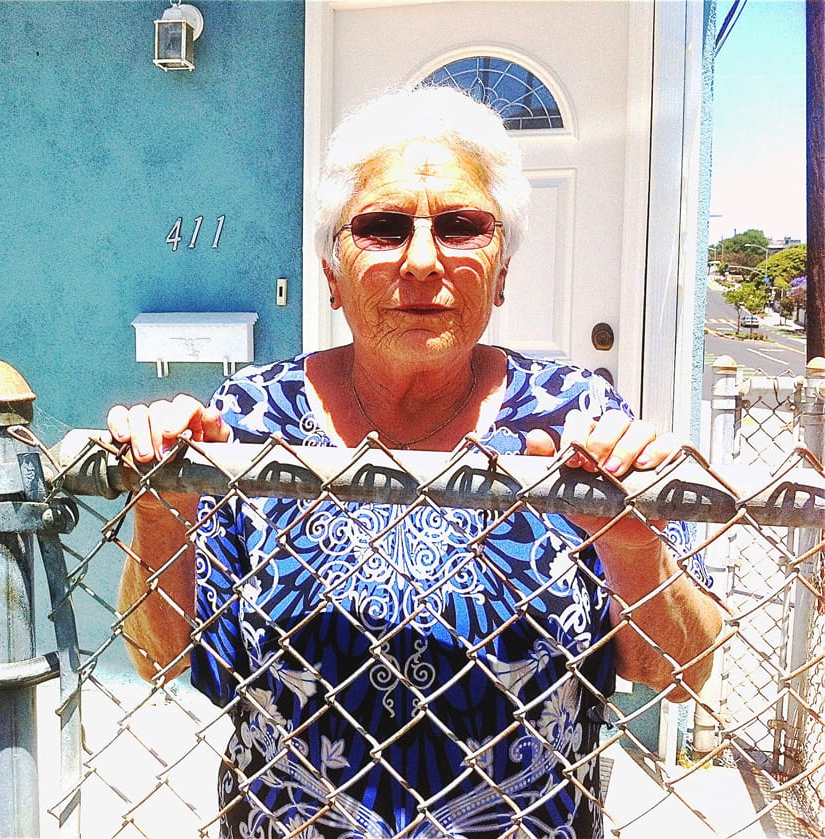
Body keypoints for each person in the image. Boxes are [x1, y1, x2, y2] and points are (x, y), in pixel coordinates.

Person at [109, 86, 721, 839]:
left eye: (461, 226)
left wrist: (628, 545)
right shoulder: (249, 422)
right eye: (383, 226)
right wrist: (162, 507)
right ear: (331, 273)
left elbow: (683, 670)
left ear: (501, 270)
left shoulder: (578, 419)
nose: (424, 260)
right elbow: (158, 658)